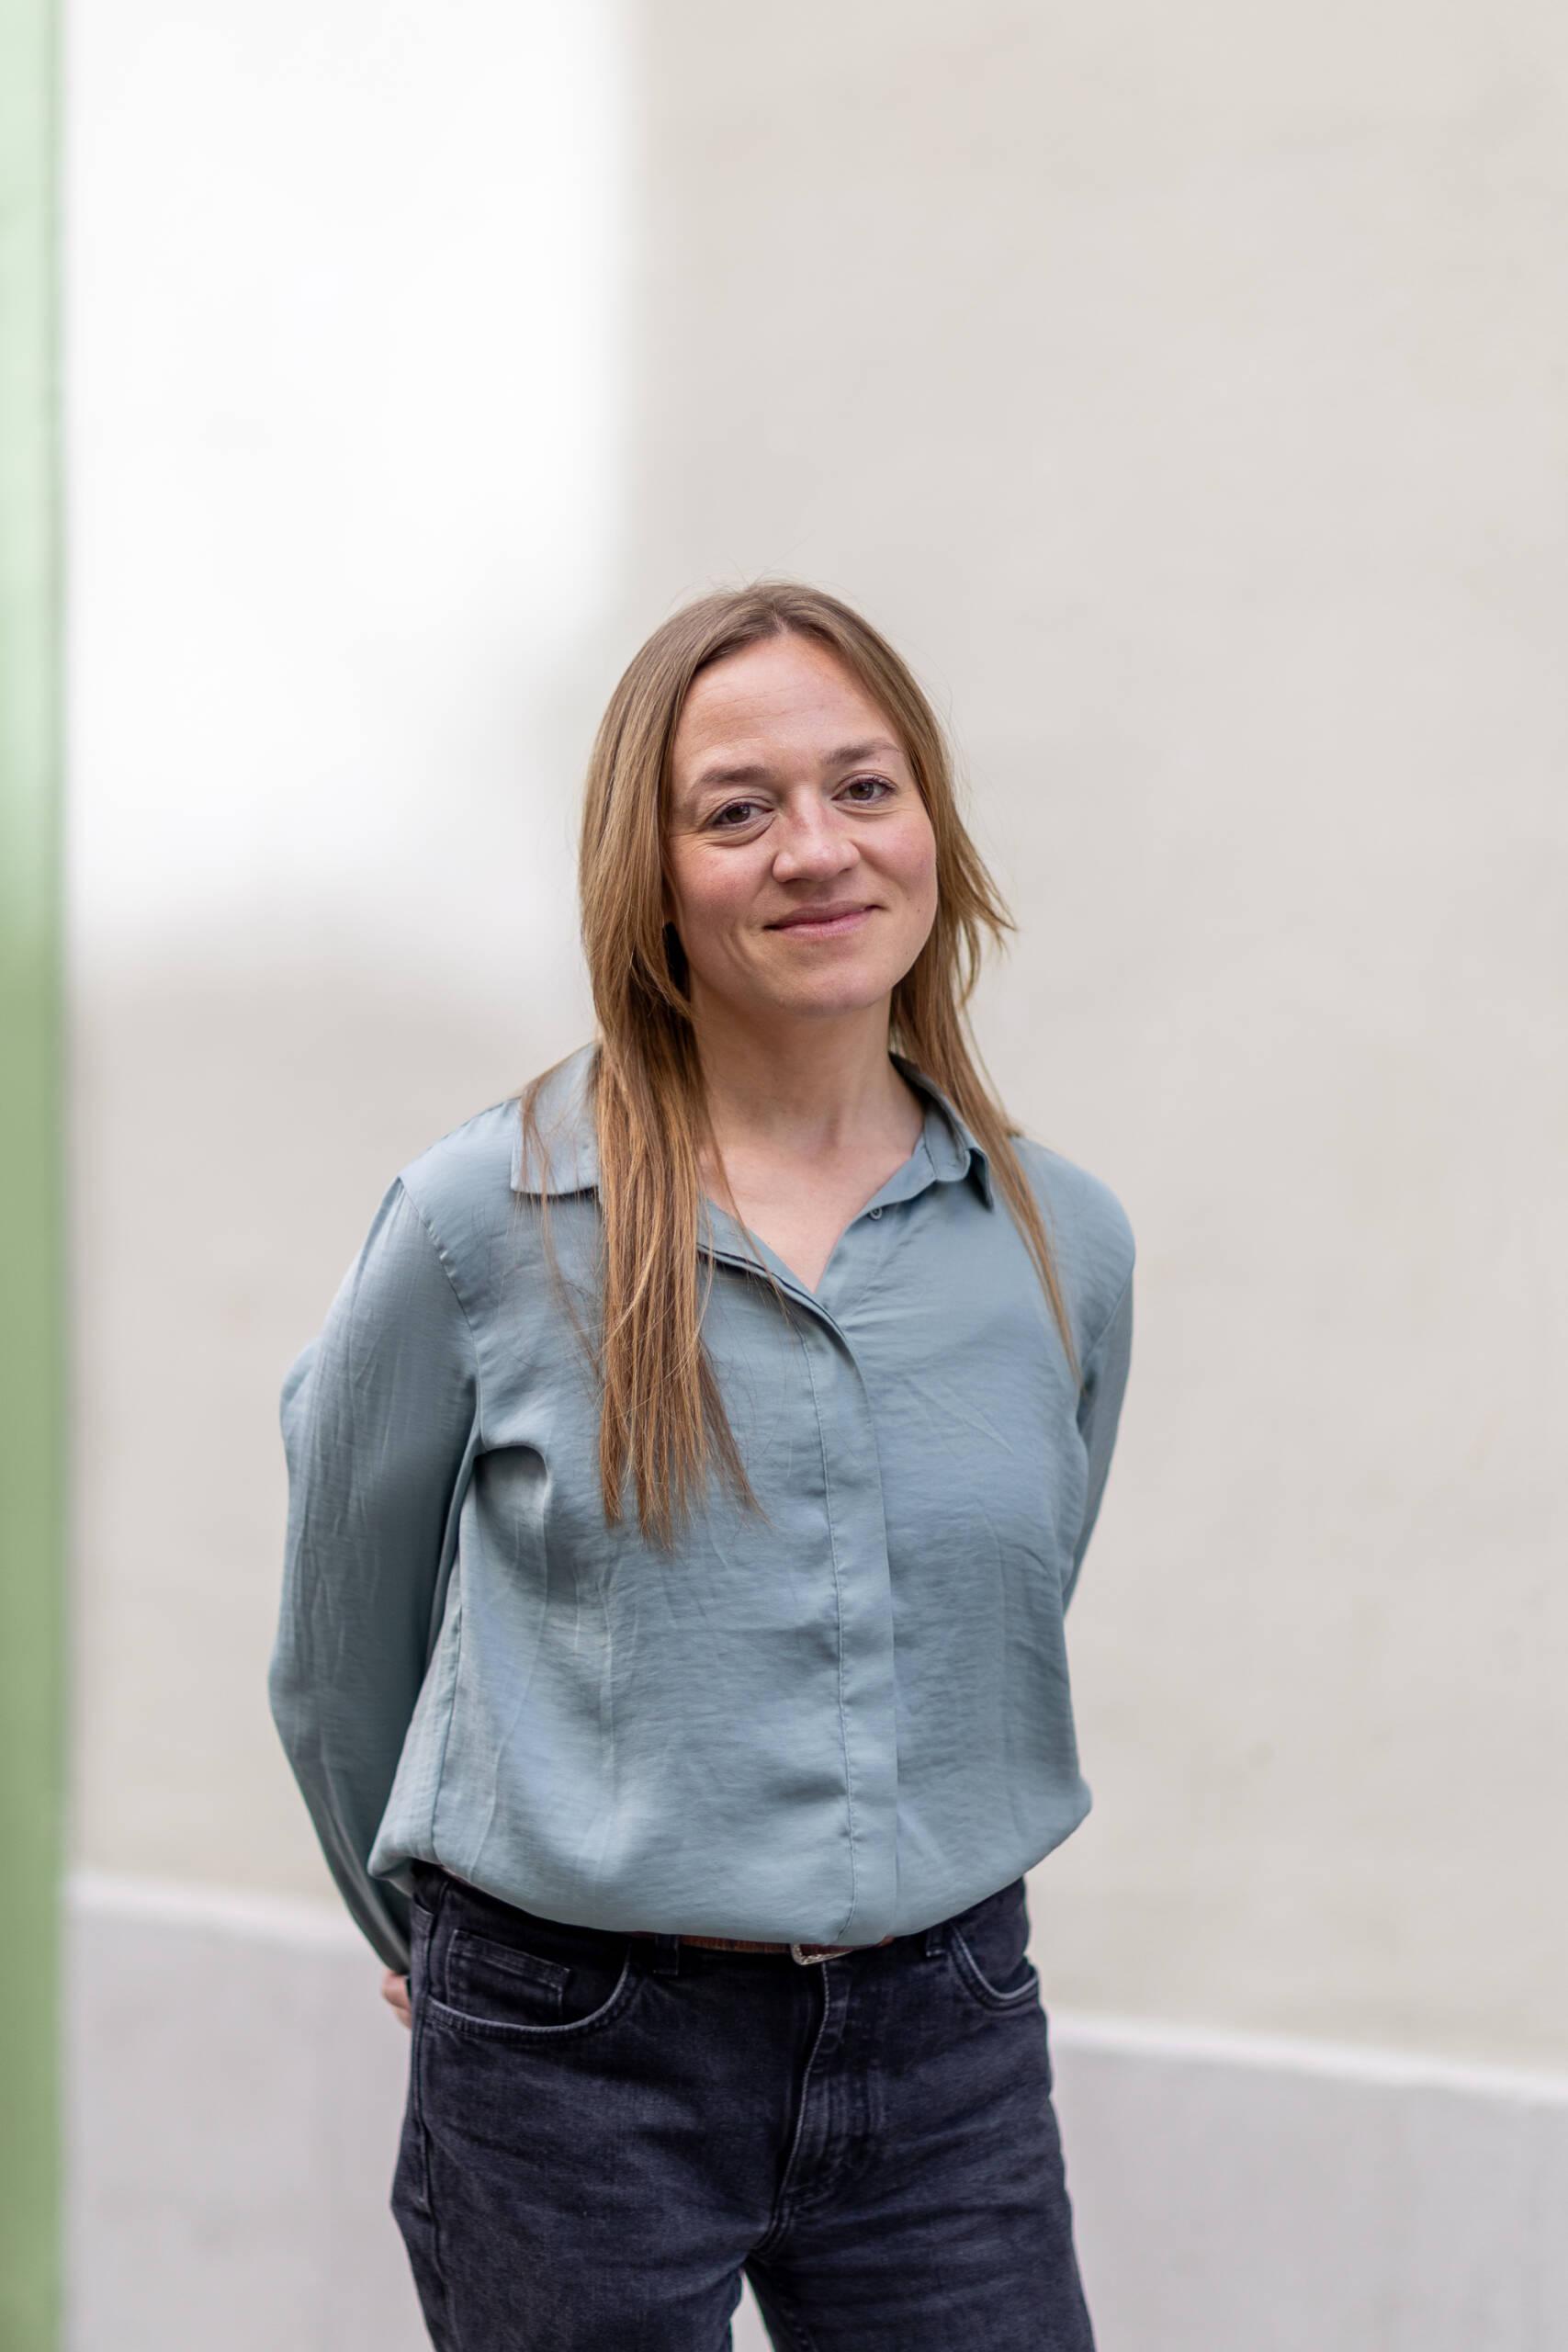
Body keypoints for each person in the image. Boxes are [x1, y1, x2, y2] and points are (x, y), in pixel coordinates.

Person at [268, 578, 1135, 2350]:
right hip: (573, 2064)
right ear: (651, 876)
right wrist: (434, 1949)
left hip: (950, 2040)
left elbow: (1002, 1608)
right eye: (738, 811)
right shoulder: (481, 1221)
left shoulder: (1058, 1244)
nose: (816, 849)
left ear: (932, 827)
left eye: (863, 787)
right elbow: (338, 1650)